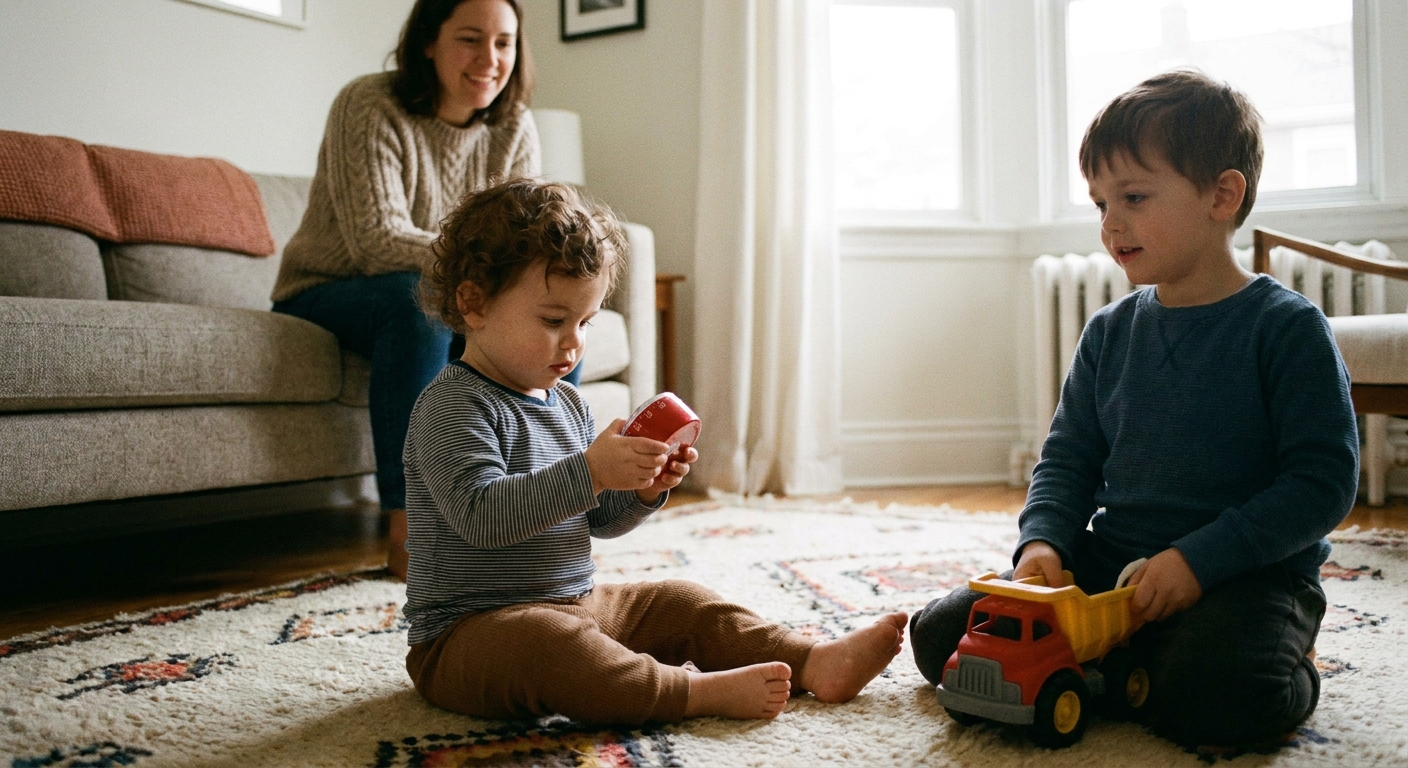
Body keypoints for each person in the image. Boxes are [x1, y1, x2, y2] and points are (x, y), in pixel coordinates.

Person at [909, 70, 1358, 747]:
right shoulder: (1109, 332)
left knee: (1228, 698)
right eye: (1099, 203)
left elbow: (1321, 484)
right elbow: (1067, 460)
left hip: (1244, 575)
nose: (1110, 223)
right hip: (1114, 566)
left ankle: (1266, 663)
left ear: (1222, 195)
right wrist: (1043, 544)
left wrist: (1197, 562)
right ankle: (1134, 670)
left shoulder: (1286, 328)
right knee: (942, 635)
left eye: (1134, 197)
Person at [400, 179, 909, 725]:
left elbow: (597, 520)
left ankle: (810, 661)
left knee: (678, 601)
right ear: (474, 304)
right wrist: (592, 470)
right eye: (553, 321)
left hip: (577, 607)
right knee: (552, 647)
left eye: (585, 322)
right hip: (467, 633)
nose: (573, 344)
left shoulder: (567, 404)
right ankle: (692, 694)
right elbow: (484, 518)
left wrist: (643, 488)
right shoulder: (452, 406)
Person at [269, 0, 560, 581]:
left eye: (504, 43)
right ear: (428, 41)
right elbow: (377, 241)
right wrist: (489, 273)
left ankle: (543, 514)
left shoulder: (515, 125)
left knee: (547, 317)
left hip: (450, 289)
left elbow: (522, 244)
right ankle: (414, 529)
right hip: (331, 290)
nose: (489, 59)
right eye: (470, 39)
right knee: (417, 299)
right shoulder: (369, 103)